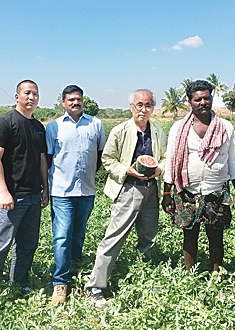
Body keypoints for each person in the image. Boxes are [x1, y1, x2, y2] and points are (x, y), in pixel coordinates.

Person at [84, 89, 167, 309]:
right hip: (129, 189)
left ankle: (143, 277)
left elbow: (165, 158)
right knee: (114, 237)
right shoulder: (120, 131)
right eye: (139, 104)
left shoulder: (158, 131)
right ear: (131, 107)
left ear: (152, 108)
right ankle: (96, 286)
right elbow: (108, 159)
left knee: (149, 236)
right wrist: (127, 171)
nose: (143, 109)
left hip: (151, 190)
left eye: (148, 105)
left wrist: (159, 169)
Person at [162, 80, 235, 272]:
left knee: (216, 237)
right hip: (187, 191)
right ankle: (191, 274)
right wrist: (166, 194)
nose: (203, 102)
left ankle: (215, 275)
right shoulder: (179, 128)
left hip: (216, 191)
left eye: (207, 98)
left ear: (212, 99)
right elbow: (171, 161)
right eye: (198, 99)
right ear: (190, 102)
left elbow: (233, 160)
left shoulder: (225, 127)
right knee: (189, 236)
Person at [0, 80, 49, 302]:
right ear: (17, 96)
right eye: (27, 93)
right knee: (1, 246)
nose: (31, 97)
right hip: (13, 196)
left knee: (28, 244)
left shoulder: (38, 127)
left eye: (35, 93)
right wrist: (4, 192)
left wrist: (45, 188)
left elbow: (41, 160)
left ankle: (20, 282)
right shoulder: (5, 122)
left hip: (32, 195)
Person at [46, 85, 106, 305]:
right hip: (61, 190)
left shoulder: (96, 124)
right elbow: (47, 159)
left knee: (79, 232)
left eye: (78, 99)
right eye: (70, 99)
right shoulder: (53, 127)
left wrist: (90, 174)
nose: (75, 102)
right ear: (63, 102)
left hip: (86, 190)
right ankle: (60, 282)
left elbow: (100, 155)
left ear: (83, 101)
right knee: (62, 235)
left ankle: (75, 266)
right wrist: (46, 186)